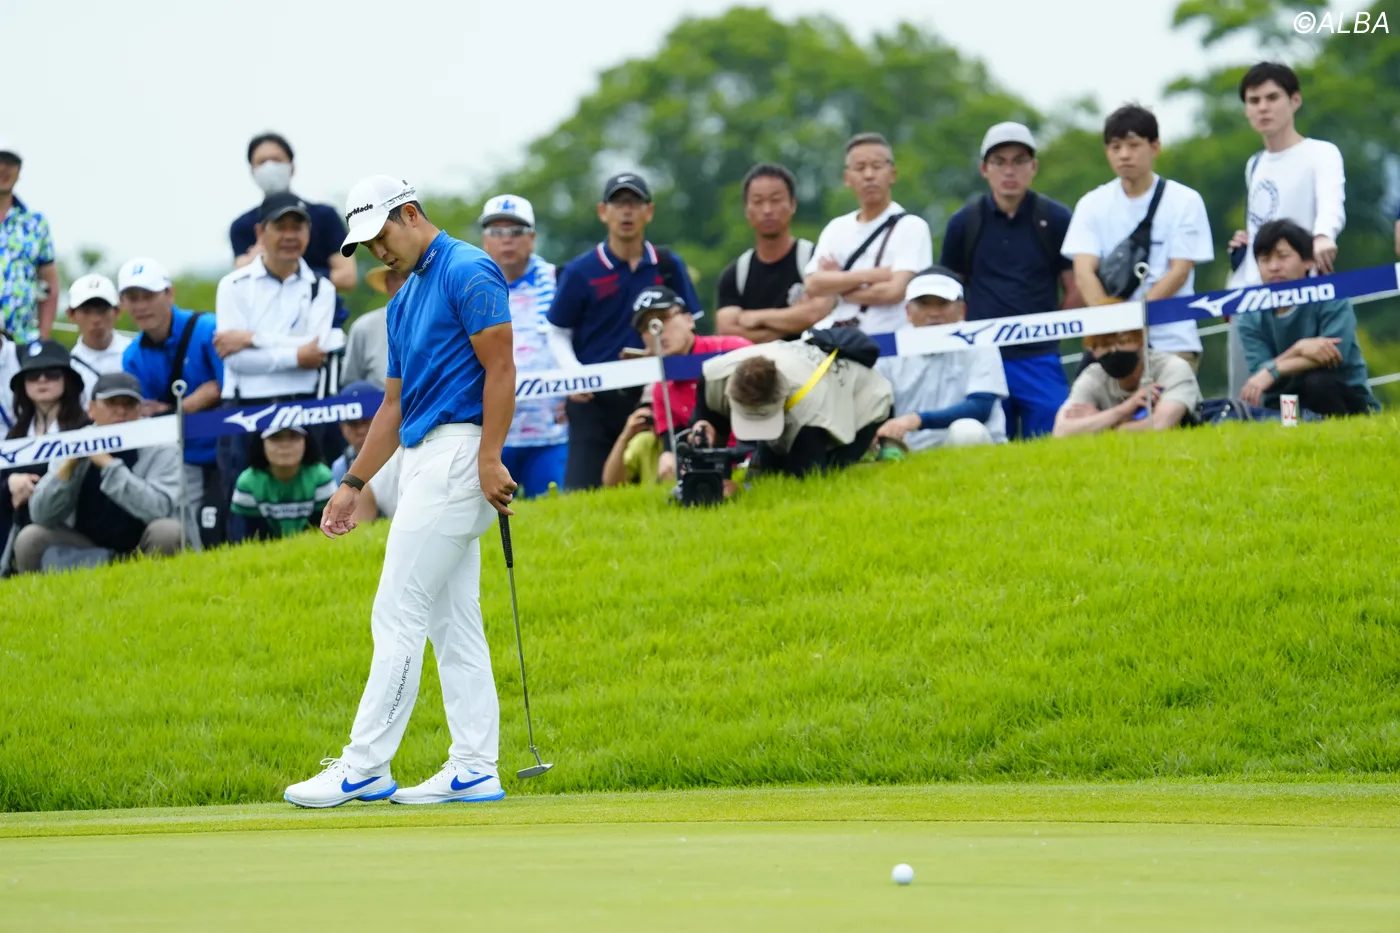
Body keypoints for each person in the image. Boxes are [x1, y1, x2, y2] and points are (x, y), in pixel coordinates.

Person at [283, 174, 518, 809]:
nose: (379, 251)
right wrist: (352, 484)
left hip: (459, 454)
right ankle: (474, 766)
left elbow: (501, 369)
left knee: (397, 611)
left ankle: (364, 766)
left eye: (381, 235)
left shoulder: (469, 269)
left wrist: (490, 456)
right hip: (420, 458)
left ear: (409, 213)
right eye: (367, 245)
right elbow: (392, 405)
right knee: (453, 621)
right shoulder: (402, 298)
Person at [547, 173, 704, 490]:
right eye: (618, 203)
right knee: (584, 491)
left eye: (635, 203)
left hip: (654, 393)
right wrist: (573, 373)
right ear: (603, 212)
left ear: (649, 211)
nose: (627, 211)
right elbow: (556, 330)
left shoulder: (667, 265)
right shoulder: (580, 271)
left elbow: (690, 325)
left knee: (664, 486)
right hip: (594, 400)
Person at [939, 123, 1081, 439]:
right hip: (982, 356)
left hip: (1040, 355)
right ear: (984, 169)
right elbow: (949, 292)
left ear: (1034, 167)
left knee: (1054, 440)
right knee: (984, 442)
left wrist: (1053, 328)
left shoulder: (1056, 218)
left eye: (1019, 161)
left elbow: (1075, 287)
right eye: (999, 162)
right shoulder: (964, 223)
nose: (1009, 170)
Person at [1062, 106, 1214, 371]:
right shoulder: (1091, 204)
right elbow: (1083, 272)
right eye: (1115, 147)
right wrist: (1112, 325)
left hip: (1171, 341)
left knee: (1169, 398)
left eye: (1133, 145)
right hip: (1109, 347)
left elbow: (1179, 271)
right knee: (1081, 398)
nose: (1124, 154)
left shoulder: (1185, 201)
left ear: (1155, 147)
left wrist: (1132, 321)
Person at [1226, 62, 1347, 396]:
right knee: (1248, 395)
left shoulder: (1320, 153)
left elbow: (1331, 202)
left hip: (1305, 292)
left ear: (1295, 100)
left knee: (1312, 386)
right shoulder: (1255, 164)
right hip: (1252, 294)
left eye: (1272, 97)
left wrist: (1323, 236)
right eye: (1254, 100)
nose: (1262, 107)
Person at [215, 192, 338, 496]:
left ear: (309, 232)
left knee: (311, 499)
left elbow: (315, 354)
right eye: (280, 226)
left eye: (298, 227)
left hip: (305, 403)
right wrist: (295, 354)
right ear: (260, 232)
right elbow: (236, 360)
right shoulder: (233, 285)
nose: (289, 235)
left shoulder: (321, 287)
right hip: (245, 405)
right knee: (241, 500)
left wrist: (252, 339)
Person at [13, 372, 186, 574]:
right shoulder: (76, 441)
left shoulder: (161, 445)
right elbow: (40, 515)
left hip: (142, 541)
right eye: (111, 403)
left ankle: (161, 587)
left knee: (168, 531)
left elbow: (160, 509)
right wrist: (67, 469)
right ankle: (38, 593)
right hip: (84, 545)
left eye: (129, 404)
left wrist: (109, 466)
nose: (121, 411)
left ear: (140, 410)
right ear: (92, 409)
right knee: (30, 537)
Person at [119, 257, 224, 547]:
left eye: (149, 295)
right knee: (190, 534)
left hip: (227, 447)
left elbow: (226, 388)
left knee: (231, 527)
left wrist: (175, 409)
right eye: (132, 298)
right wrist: (193, 401)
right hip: (181, 456)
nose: (141, 305)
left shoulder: (207, 328)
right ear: (123, 303)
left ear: (169, 294)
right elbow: (145, 413)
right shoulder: (132, 356)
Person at [691, 336, 893, 478]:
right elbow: (710, 429)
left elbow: (806, 476)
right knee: (766, 470)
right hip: (804, 384)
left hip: (864, 400)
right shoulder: (713, 377)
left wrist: (742, 489)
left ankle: (877, 455)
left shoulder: (809, 412)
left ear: (783, 398)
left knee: (823, 473)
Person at [1238, 220, 1379, 416]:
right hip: (1283, 403)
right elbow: (1259, 369)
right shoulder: (1250, 313)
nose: (1273, 267)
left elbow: (1335, 352)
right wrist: (1299, 348)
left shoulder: (1330, 294)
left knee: (1318, 382)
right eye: (1265, 259)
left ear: (1308, 261)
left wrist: (1274, 369)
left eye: (1282, 256)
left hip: (1341, 394)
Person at [479, 194, 567, 499]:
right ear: (484, 240)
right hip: (492, 435)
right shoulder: (470, 287)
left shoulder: (561, 281)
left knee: (556, 517)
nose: (507, 239)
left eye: (516, 231)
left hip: (552, 430)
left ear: (532, 238)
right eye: (496, 232)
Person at [801, 133, 933, 335]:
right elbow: (812, 284)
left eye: (877, 166)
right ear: (847, 178)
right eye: (860, 168)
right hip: (840, 338)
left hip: (890, 338)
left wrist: (838, 284)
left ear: (892, 174)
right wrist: (875, 275)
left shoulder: (912, 227)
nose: (869, 175)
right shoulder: (836, 228)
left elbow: (894, 292)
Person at [873, 271, 1008, 451]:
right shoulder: (892, 347)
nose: (934, 313)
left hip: (975, 445)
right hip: (911, 449)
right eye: (924, 304)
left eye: (943, 303)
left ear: (962, 310)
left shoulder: (980, 341)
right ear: (908, 311)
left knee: (967, 431)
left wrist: (917, 419)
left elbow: (980, 407)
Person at [230, 132, 355, 326]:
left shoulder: (325, 216)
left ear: (291, 167)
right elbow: (240, 277)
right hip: (264, 325)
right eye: (262, 162)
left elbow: (347, 276)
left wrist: (293, 277)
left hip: (322, 321)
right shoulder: (241, 227)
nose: (269, 167)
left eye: (276, 160)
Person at [714, 163, 832, 342]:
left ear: (793, 205)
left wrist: (756, 318)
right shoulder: (735, 275)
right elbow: (727, 330)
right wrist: (795, 320)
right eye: (758, 202)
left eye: (776, 200)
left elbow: (816, 313)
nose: (767, 210)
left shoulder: (815, 259)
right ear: (746, 210)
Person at [1, 340, 89, 574]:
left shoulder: (86, 429)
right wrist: (10, 484)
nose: (42, 380)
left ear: (67, 381)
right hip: (19, 529)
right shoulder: (15, 434)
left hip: (76, 530)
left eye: (51, 374)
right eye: (32, 376)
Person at [633, 285, 750, 460]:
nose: (657, 330)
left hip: (757, 456)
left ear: (689, 320)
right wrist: (669, 458)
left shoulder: (733, 349)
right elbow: (672, 445)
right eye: (645, 326)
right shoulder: (661, 389)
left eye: (663, 318)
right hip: (710, 466)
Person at [1053, 328, 1201, 437]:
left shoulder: (1172, 368)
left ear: (1141, 342)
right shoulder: (1093, 376)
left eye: (1122, 342)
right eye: (1104, 344)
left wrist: (1098, 423)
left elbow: (1159, 426)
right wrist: (1124, 409)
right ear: (1093, 352)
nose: (1113, 350)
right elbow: (1061, 431)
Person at [228, 426, 334, 543]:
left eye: (293, 436)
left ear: (306, 441)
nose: (285, 445)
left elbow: (326, 534)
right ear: (261, 443)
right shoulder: (248, 482)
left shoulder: (321, 477)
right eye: (275, 437)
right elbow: (246, 537)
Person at [0, 142, 59, 343]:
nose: (3, 169)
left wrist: (43, 337)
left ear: (19, 171)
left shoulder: (35, 223)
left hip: (21, 341)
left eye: (10, 163)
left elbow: (49, 284)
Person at [330, 381, 401, 522]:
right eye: (353, 424)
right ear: (341, 427)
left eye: (367, 421)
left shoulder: (402, 454)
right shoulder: (340, 467)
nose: (361, 430)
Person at [65, 274, 132, 398]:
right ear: (71, 315)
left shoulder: (136, 355)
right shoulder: (69, 368)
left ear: (117, 312)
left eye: (102, 310)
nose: (96, 319)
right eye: (86, 311)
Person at [342, 265, 406, 390]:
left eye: (408, 277)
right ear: (388, 284)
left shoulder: (439, 323)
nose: (403, 284)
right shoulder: (364, 327)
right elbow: (350, 383)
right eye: (395, 279)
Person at [601, 402, 664, 488]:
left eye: (659, 411)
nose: (654, 420)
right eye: (650, 418)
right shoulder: (645, 441)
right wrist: (625, 437)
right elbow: (612, 484)